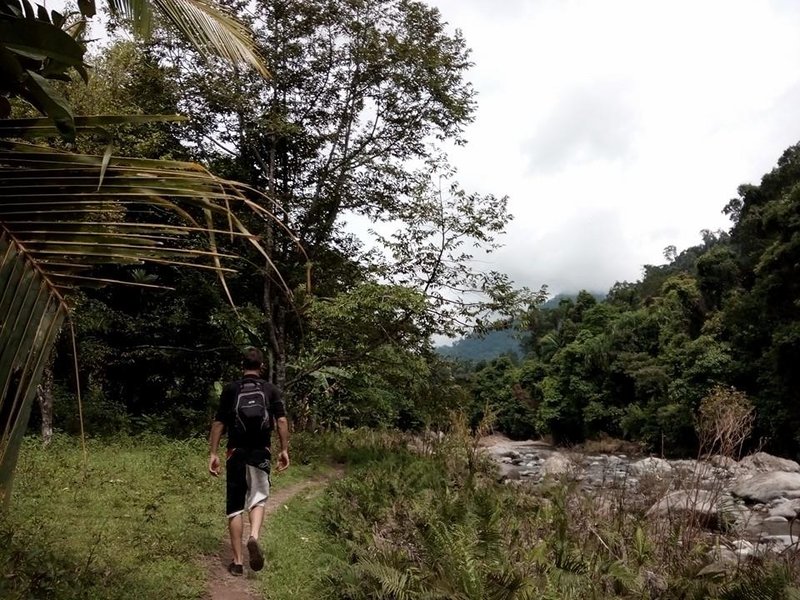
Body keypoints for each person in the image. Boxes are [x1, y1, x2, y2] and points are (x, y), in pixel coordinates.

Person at [208, 347, 290, 575]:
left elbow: (218, 423)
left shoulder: (231, 389)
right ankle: (253, 536)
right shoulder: (270, 389)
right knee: (258, 499)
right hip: (260, 452)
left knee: (235, 506)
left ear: (241, 365)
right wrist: (284, 449)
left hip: (235, 452)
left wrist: (213, 453)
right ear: (261, 366)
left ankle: (237, 563)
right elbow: (281, 421)